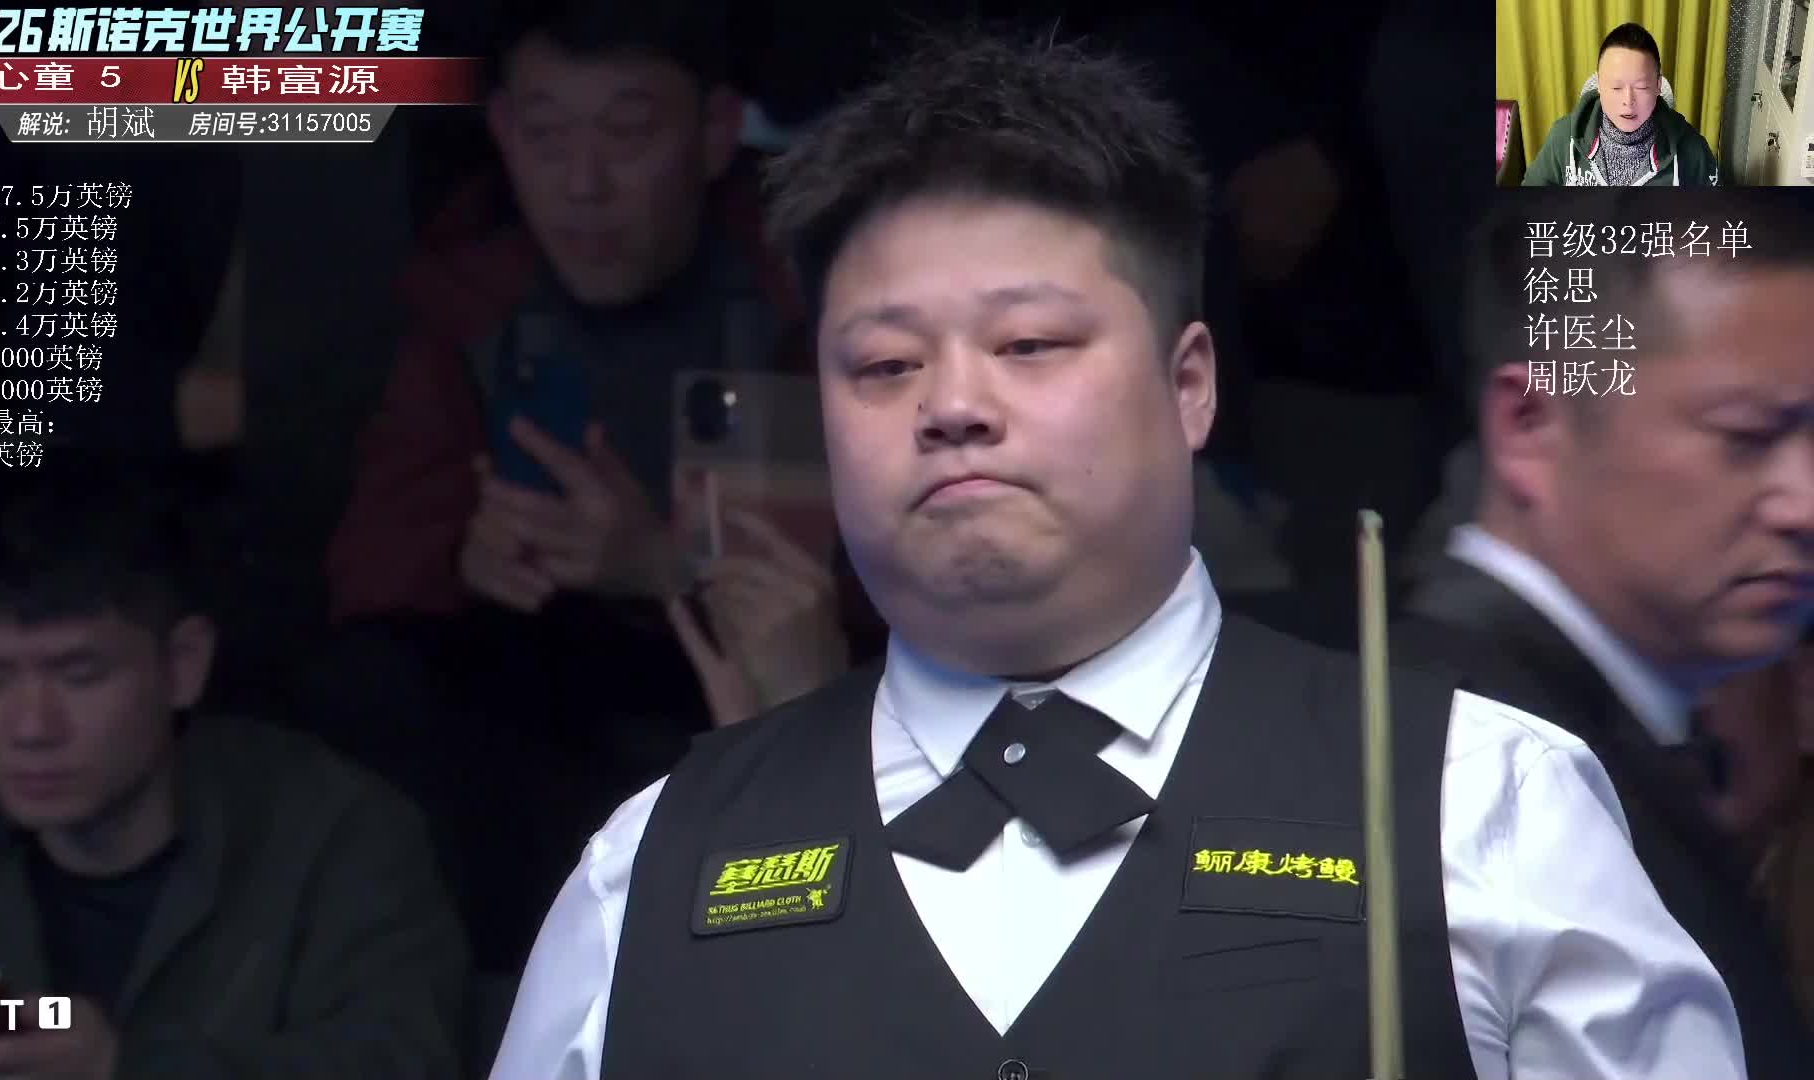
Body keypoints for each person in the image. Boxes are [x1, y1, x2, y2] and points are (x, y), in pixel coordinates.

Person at [488, 28, 1745, 1079]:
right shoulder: (647, 867)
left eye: (1029, 344)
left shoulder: (1484, 803)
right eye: (884, 363)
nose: (952, 404)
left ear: (1189, 384)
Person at [313, 0, 854, 971]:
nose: (582, 183)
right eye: (547, 135)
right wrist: (465, 559)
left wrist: (665, 565)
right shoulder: (469, 297)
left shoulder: (808, 294)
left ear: (715, 131)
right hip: (536, 730)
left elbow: (894, 593)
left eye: (628, 133)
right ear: (501, 131)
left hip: (764, 710)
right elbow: (367, 569)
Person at [1397, 186, 1814, 1075]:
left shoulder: (1522, 729)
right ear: (1531, 423)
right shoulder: (1477, 767)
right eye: (1746, 436)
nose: (1804, 504)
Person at [0, 457, 469, 1079]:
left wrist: (122, 1067)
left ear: (183, 664)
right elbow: (42, 1022)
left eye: (80, 675)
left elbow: (408, 1063)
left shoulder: (337, 835)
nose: (31, 727)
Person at [1523, 22, 1718, 187]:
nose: (1628, 100)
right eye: (1616, 87)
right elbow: (1529, 204)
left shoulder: (1691, 149)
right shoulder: (1564, 138)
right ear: (1599, 85)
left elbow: (1714, 213)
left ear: (1658, 85)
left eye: (1641, 87)